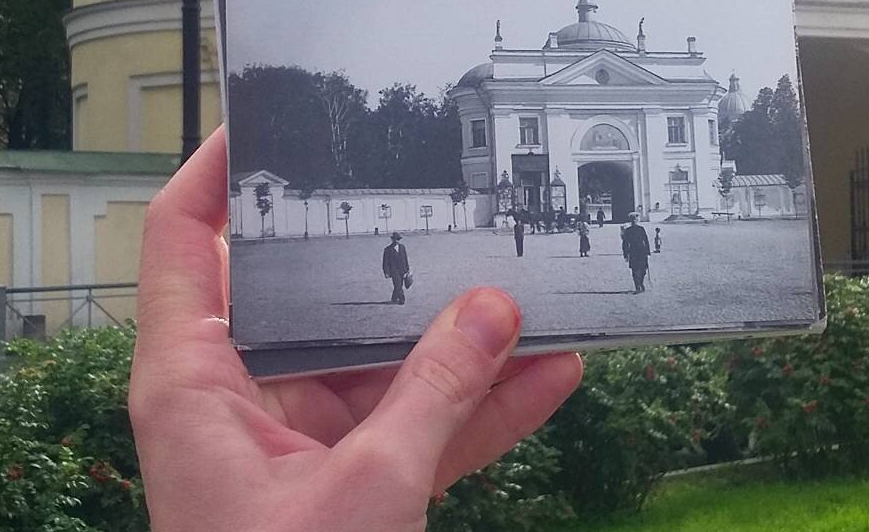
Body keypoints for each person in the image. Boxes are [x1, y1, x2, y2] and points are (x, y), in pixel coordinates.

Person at [129, 128, 582, 532]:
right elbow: (392, 262)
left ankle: (398, 296)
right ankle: (398, 296)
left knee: (401, 298)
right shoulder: (394, 248)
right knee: (402, 297)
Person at [621, 212, 652, 293]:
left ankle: (641, 283)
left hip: (642, 251)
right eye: (633, 219)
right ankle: (637, 286)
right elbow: (625, 243)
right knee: (635, 270)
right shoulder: (628, 230)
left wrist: (648, 252)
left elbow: (646, 240)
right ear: (631, 220)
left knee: (643, 270)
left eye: (636, 219)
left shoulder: (641, 229)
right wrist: (625, 254)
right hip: (633, 252)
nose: (635, 221)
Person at [382, 232, 411, 305]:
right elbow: (385, 262)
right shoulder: (387, 250)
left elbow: (405, 259)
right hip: (393, 271)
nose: (396, 241)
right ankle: (402, 299)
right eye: (395, 239)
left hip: (402, 270)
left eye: (398, 239)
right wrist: (386, 272)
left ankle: (394, 298)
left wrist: (407, 269)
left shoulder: (402, 247)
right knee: (397, 284)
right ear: (392, 240)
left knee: (399, 285)